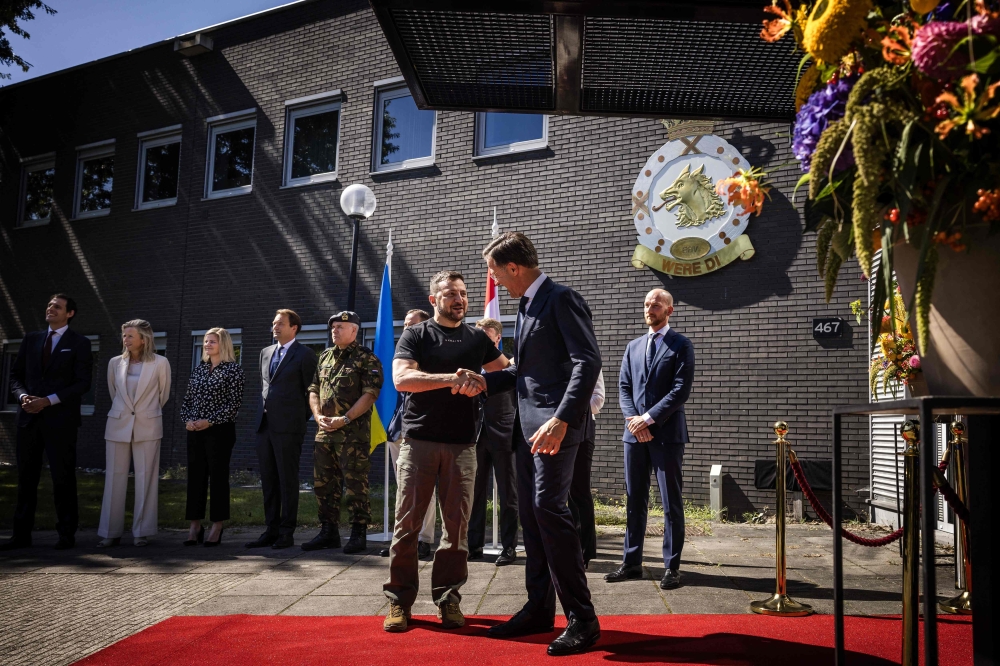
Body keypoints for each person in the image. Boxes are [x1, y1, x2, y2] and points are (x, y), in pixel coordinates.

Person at [480, 232, 602, 656]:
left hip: (555, 429)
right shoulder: (526, 304)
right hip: (527, 430)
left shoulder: (561, 298)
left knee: (550, 510)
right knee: (532, 517)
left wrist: (562, 419)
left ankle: (583, 619)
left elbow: (588, 361)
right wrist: (483, 381)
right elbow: (523, 372)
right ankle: (538, 609)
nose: (494, 281)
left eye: (495, 273)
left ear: (514, 267)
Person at [382, 271, 509, 633]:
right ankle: (399, 601)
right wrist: (452, 378)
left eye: (464, 294)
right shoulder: (416, 334)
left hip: (463, 445)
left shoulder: (477, 338)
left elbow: (505, 372)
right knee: (407, 526)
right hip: (418, 442)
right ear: (434, 299)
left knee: (456, 529)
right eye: (451, 293)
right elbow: (402, 379)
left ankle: (448, 599)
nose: (460, 300)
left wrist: (482, 381)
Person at [607, 289, 694, 591]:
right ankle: (631, 563)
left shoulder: (681, 345)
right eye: (646, 304)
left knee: (671, 502)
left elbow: (680, 390)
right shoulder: (633, 346)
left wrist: (648, 419)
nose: (649, 309)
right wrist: (635, 421)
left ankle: (672, 566)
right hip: (634, 436)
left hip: (667, 435)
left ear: (669, 310)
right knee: (635, 500)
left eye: (656, 305)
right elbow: (624, 387)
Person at [3, 294, 93, 551]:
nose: (51, 308)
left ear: (70, 313)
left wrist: (48, 401)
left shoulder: (80, 343)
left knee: (63, 479)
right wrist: (23, 397)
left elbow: (82, 383)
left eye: (57, 306)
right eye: (50, 305)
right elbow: (15, 376)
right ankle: (20, 536)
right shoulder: (31, 339)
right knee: (26, 479)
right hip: (28, 420)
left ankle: (66, 535)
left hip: (60, 422)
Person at [302, 311, 383, 554]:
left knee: (355, 484)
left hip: (352, 434)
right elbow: (314, 389)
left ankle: (358, 533)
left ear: (354, 331)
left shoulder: (366, 358)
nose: (334, 331)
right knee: (324, 484)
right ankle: (328, 531)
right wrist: (317, 416)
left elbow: (370, 394)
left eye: (340, 327)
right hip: (325, 432)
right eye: (333, 327)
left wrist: (345, 419)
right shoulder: (325, 356)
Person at [246, 309, 318, 550]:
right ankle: (271, 530)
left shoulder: (305, 354)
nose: (274, 327)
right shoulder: (265, 353)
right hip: (264, 426)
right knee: (268, 480)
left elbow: (311, 392)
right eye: (273, 323)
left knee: (287, 480)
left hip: (289, 428)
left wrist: (297, 419)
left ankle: (287, 532)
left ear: (293, 328)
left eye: (280, 324)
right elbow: (266, 387)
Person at [98, 319, 172, 547]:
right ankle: (110, 532)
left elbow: (163, 395)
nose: (126, 339)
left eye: (130, 335)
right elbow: (114, 393)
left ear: (144, 339)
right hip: (118, 425)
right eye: (124, 335)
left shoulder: (161, 363)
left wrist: (144, 413)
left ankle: (142, 532)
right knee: (114, 478)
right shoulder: (114, 363)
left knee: (146, 478)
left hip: (148, 426)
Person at [380, 308, 437, 560]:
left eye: (411, 324)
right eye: (404, 324)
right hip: (399, 430)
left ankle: (424, 539)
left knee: (425, 488)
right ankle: (402, 540)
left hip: (424, 431)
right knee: (403, 489)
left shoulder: (433, 355)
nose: (406, 329)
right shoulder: (403, 354)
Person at [180, 328, 245, 547]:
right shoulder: (199, 370)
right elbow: (187, 401)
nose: (207, 345)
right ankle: (195, 525)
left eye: (212, 342)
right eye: (206, 341)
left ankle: (217, 525)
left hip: (220, 431)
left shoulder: (233, 370)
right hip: (194, 431)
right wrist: (187, 420)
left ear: (223, 344)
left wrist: (210, 421)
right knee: (195, 478)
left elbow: (233, 404)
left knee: (218, 478)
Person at [468, 317, 518, 566]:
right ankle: (473, 545)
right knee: (474, 493)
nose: (483, 342)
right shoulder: (469, 365)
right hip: (475, 435)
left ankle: (509, 547)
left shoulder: (510, 366)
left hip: (504, 435)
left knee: (509, 494)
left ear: (498, 338)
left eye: (487, 337)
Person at [569, 369, 605, 568]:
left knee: (579, 490)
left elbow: (598, 400)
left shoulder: (589, 359)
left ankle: (585, 551)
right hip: (552, 430)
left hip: (582, 430)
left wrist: (565, 410)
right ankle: (567, 547)